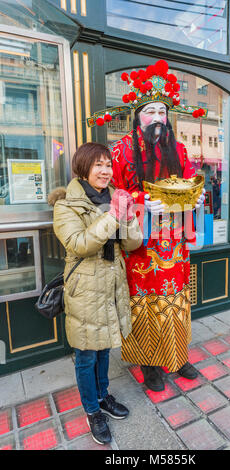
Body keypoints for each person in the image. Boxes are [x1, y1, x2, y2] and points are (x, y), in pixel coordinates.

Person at [109, 60, 205, 392]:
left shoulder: (178, 149)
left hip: (175, 245)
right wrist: (138, 201)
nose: (158, 118)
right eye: (150, 111)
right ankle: (150, 363)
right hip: (143, 249)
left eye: (163, 112)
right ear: (137, 115)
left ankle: (177, 356)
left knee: (177, 299)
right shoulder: (121, 151)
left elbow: (192, 184)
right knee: (146, 305)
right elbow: (113, 193)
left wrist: (195, 194)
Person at [49, 142, 143, 445]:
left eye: (108, 164)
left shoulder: (114, 198)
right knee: (86, 355)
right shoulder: (65, 205)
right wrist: (115, 214)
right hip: (85, 289)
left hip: (112, 285)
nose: (105, 171)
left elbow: (132, 245)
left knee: (104, 348)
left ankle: (103, 397)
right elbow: (79, 244)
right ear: (83, 167)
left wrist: (128, 216)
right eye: (98, 164)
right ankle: (92, 410)